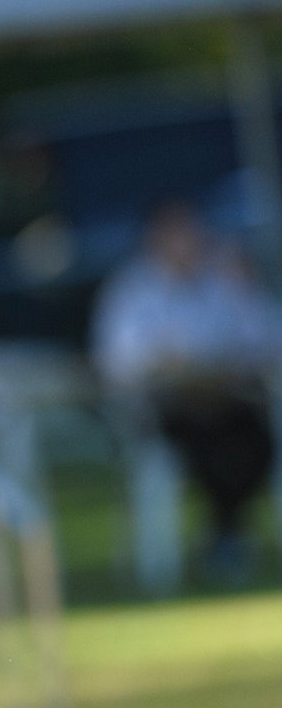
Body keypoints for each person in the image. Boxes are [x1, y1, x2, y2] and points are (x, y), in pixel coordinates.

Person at [93, 200, 282, 574]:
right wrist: (168, 364)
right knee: (203, 448)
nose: (188, 241)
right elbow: (117, 359)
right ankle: (225, 535)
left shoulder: (224, 280)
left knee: (254, 444)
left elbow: (266, 337)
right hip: (166, 412)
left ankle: (225, 530)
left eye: (192, 231)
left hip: (231, 405)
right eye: (177, 233)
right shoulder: (131, 291)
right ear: (155, 239)